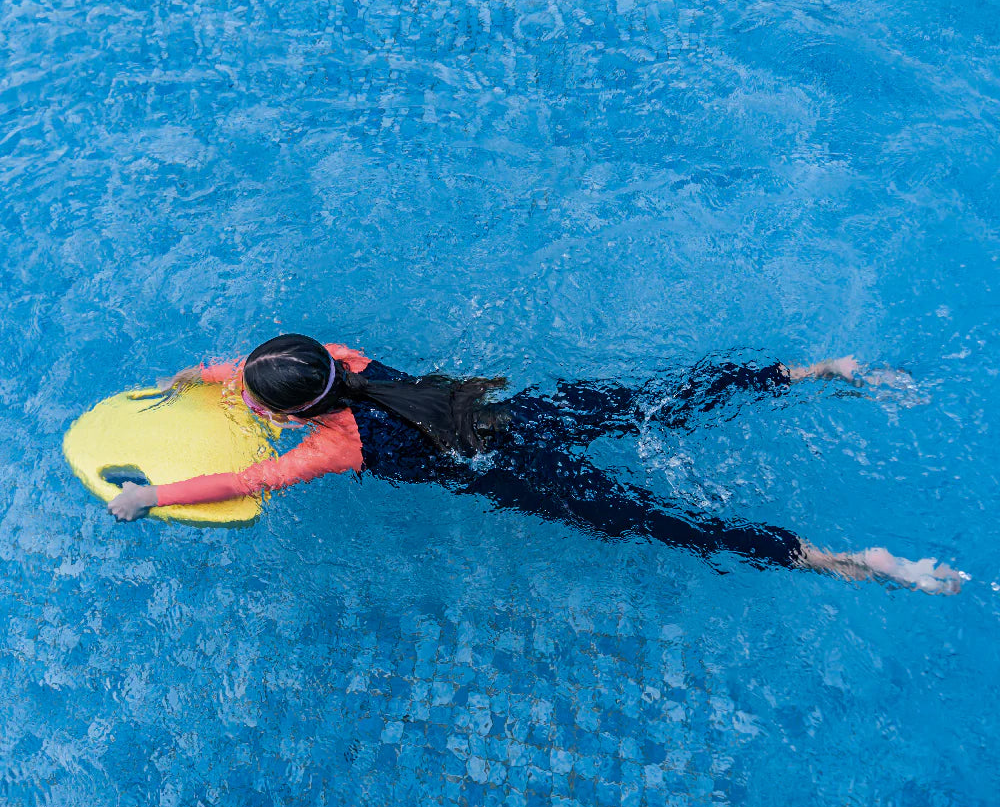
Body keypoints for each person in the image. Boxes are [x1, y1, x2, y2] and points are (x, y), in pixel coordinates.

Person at [108, 334, 964, 594]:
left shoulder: (336, 446)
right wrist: (205, 376)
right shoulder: (343, 359)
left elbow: (246, 480)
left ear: (295, 414)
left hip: (515, 475)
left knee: (657, 520)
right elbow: (280, 368)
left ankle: (830, 559)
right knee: (643, 401)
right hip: (508, 416)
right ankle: (806, 375)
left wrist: (149, 498)